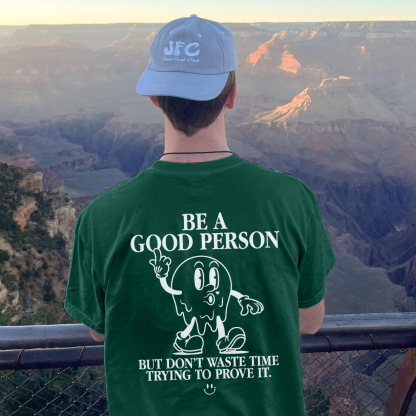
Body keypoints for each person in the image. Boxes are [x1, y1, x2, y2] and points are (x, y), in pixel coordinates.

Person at [64, 14, 336, 416]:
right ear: (232, 96)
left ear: (155, 98)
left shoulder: (102, 216)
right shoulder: (292, 200)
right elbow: (309, 322)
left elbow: (98, 329)